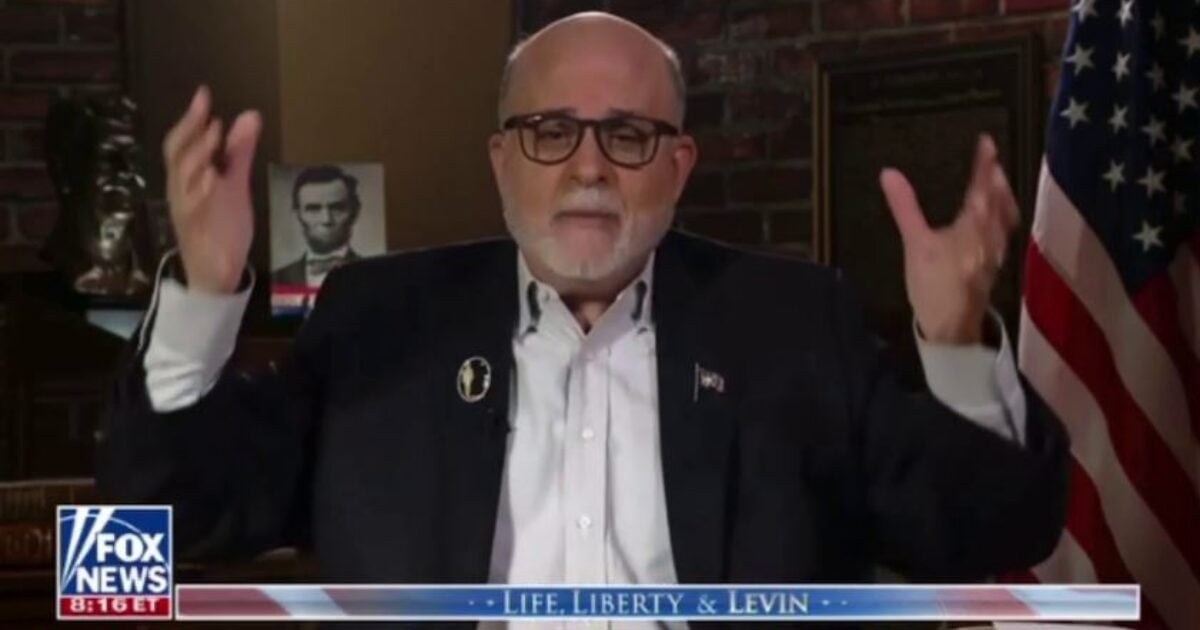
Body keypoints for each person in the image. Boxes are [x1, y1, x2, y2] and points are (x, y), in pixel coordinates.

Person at [100, 9, 1068, 610]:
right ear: (501, 162)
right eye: (550, 132)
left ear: (679, 166)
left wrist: (955, 342)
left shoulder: (793, 324)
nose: (589, 168)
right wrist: (205, 294)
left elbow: (993, 532)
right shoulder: (378, 320)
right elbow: (165, 520)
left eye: (629, 135)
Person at [271, 165, 362, 288]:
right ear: (298, 215)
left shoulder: (374, 275)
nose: (326, 219)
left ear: (355, 212)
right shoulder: (277, 278)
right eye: (313, 209)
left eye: (337, 208)